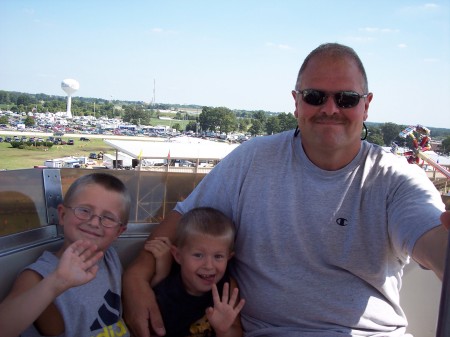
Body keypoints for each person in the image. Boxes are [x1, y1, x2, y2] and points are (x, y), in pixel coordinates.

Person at [123, 43, 450, 336]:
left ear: (366, 106)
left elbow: (434, 242)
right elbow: (181, 221)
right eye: (315, 96)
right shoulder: (253, 160)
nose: (331, 109)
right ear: (297, 102)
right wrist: (136, 279)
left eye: (347, 99)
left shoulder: (395, 179)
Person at [0, 172, 132, 337]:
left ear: (118, 232)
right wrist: (57, 282)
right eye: (84, 210)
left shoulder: (110, 257)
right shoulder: (39, 275)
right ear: (62, 215)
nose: (93, 222)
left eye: (108, 218)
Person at [144, 207, 245, 337]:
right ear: (178, 256)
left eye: (218, 256)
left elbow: (236, 332)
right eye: (198, 255)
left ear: (228, 258)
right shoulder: (165, 292)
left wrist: (223, 330)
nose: (209, 266)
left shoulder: (227, 287)